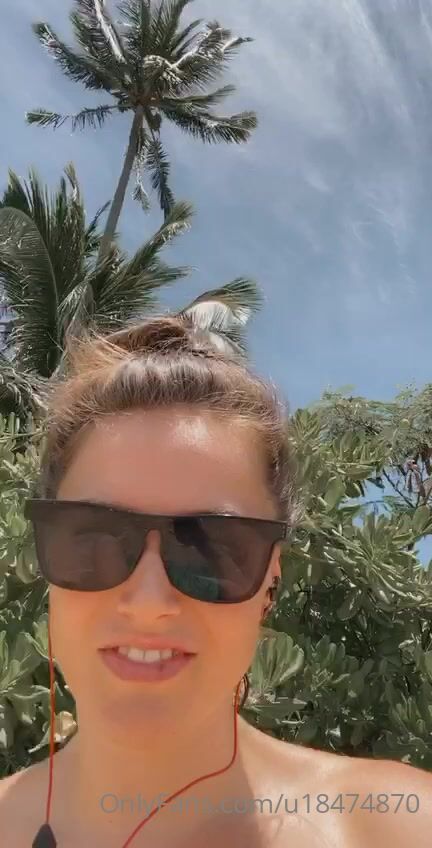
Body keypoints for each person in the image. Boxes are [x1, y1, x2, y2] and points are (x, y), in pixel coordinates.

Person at [0, 314, 431, 848]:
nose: (149, 602)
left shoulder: (398, 827)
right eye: (96, 539)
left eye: (210, 548)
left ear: (269, 582)